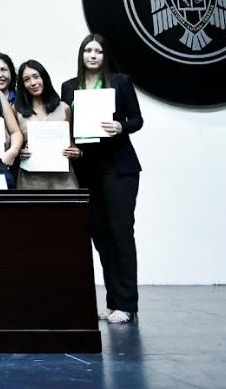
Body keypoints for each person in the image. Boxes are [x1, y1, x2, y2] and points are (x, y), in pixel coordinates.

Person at [60, 33, 143, 325]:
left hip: (118, 167)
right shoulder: (69, 87)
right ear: (81, 55)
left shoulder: (120, 82)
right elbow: (65, 125)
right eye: (88, 51)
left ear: (105, 56)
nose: (92, 55)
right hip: (86, 168)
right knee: (101, 237)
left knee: (121, 233)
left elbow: (137, 119)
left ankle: (128, 304)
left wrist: (121, 126)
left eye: (98, 51)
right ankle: (113, 302)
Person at [13, 60, 80, 190]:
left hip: (63, 179)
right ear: (22, 84)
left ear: (44, 78)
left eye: (36, 77)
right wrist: (19, 152)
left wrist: (76, 152)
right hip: (31, 180)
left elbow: (71, 142)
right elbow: (14, 144)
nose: (33, 83)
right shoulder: (16, 110)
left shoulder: (64, 108)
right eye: (26, 80)